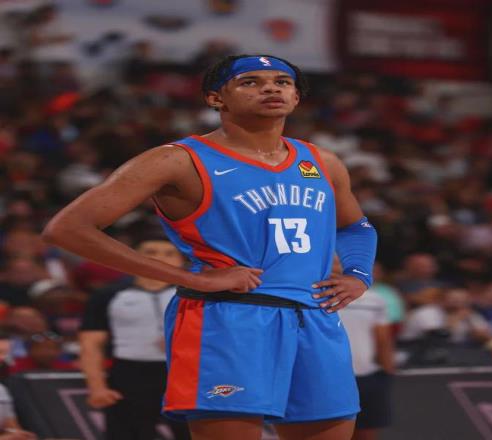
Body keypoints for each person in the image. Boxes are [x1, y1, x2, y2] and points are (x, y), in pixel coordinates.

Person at [42, 54, 377, 440]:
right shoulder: (176, 160)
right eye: (250, 82)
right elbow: (67, 229)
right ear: (216, 98)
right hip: (229, 317)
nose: (270, 88)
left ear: (296, 97)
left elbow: (357, 227)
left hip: (315, 317)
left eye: (282, 82)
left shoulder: (322, 162)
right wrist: (188, 278)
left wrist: (358, 274)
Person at [79, 237, 191, 440]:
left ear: (181, 260)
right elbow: (90, 344)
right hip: (129, 376)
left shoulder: (195, 295)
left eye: (169, 253)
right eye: (151, 252)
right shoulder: (108, 294)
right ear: (135, 257)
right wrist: (97, 387)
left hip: (185, 374)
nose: (159, 258)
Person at [339, 289, 394, 440]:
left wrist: (386, 372)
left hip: (352, 377)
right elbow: (383, 339)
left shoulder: (313, 295)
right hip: (357, 378)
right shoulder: (375, 298)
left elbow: (382, 339)